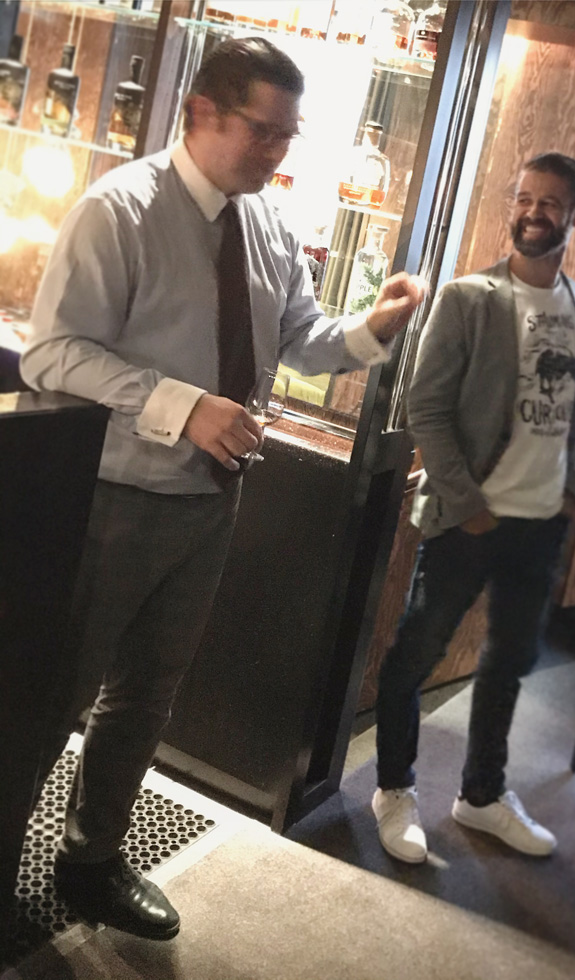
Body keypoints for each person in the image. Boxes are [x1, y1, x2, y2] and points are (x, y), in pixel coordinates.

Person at [19, 37, 425, 940]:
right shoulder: (118, 212)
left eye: (289, 135)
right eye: (262, 131)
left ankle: (90, 861)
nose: (277, 151)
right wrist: (182, 404)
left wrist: (373, 328)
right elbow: (54, 354)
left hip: (209, 504)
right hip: (110, 501)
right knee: (51, 696)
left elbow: (303, 339)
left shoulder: (270, 227)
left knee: (147, 696)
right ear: (201, 111)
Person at [371, 153, 575, 864]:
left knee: (509, 664)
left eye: (550, 203)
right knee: (416, 653)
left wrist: (573, 487)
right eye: (524, 198)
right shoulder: (470, 298)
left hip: (540, 523)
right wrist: (467, 505)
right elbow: (426, 408)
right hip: (470, 522)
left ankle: (482, 795)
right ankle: (393, 789)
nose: (533, 213)